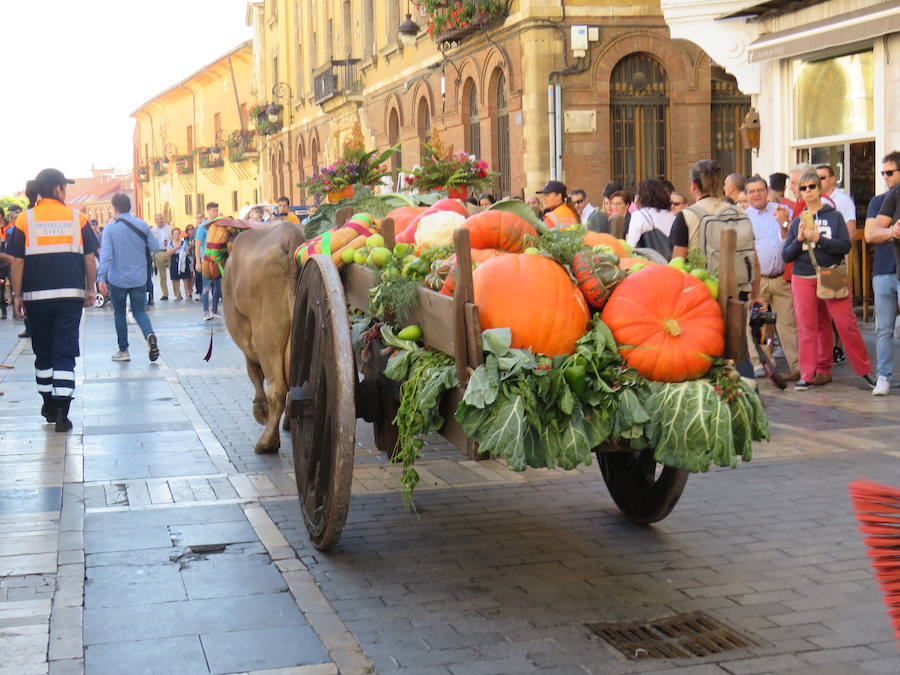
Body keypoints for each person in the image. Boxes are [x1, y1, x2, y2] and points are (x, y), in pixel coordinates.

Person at [6, 168, 99, 431]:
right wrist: (90, 290)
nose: (66, 192)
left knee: (43, 352)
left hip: (36, 299)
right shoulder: (77, 218)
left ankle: (47, 404)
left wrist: (17, 295)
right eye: (64, 187)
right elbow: (89, 259)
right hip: (70, 297)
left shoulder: (25, 220)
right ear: (57, 189)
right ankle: (62, 412)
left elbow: (17, 261)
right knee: (65, 352)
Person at [782, 172, 874, 391]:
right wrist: (800, 239)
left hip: (831, 274)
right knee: (808, 326)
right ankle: (809, 372)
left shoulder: (834, 217)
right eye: (803, 188)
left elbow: (844, 247)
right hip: (803, 276)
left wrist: (819, 239)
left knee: (846, 324)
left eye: (812, 186)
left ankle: (865, 371)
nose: (807, 191)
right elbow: (787, 255)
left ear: (819, 188)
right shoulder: (797, 221)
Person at [744, 175, 800, 380]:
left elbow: (793, 238)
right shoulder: (744, 218)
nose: (756, 194)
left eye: (760, 190)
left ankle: (796, 366)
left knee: (787, 324)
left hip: (781, 277)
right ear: (747, 195)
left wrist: (784, 222)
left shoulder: (782, 211)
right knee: (762, 325)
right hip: (760, 281)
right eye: (751, 191)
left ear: (767, 191)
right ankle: (767, 364)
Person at [97, 193, 160, 363]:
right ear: (130, 206)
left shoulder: (110, 228)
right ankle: (149, 334)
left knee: (119, 313)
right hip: (139, 278)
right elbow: (156, 246)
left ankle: (123, 350)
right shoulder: (143, 225)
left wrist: (101, 277)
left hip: (117, 278)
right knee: (139, 311)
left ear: (114, 208)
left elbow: (107, 256)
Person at [864, 151, 900, 396]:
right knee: (884, 328)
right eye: (883, 172)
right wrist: (892, 233)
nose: (885, 177)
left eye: (890, 172)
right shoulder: (879, 201)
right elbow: (870, 234)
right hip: (884, 271)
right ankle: (884, 377)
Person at [625, 178, 675, 255]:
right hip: (672, 263)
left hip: (648, 263)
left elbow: (630, 247)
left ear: (641, 196)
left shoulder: (639, 215)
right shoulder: (672, 216)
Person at [195, 202, 223, 320]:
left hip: (217, 260)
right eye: (213, 211)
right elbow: (197, 245)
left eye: (216, 211)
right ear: (208, 212)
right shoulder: (203, 227)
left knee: (218, 286)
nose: (215, 213)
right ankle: (206, 311)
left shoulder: (220, 225)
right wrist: (198, 262)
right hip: (206, 260)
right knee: (206, 286)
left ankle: (215, 309)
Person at [816, 165, 857, 239]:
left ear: (832, 179)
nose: (818, 181)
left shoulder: (843, 200)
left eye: (822, 178)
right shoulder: (813, 200)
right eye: (815, 178)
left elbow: (851, 231)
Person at [166, 227, 193, 301]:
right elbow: (168, 253)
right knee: (175, 278)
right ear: (172, 235)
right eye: (175, 234)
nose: (176, 235)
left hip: (183, 260)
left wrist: (184, 253)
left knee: (185, 278)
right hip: (174, 259)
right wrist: (175, 248)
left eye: (178, 233)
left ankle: (187, 295)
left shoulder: (183, 242)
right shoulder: (170, 243)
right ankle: (178, 295)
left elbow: (187, 251)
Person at [151, 213, 172, 301]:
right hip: (159, 252)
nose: (160, 220)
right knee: (162, 275)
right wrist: (153, 257)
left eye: (161, 218)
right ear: (155, 221)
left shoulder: (169, 228)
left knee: (174, 273)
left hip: (170, 251)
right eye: (158, 219)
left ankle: (177, 294)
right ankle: (165, 294)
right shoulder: (152, 231)